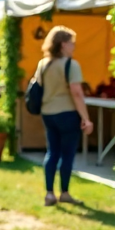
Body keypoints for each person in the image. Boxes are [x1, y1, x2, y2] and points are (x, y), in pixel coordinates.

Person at [32, 25, 93, 207]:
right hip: (67, 113)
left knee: (52, 152)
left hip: (48, 113)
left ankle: (49, 193)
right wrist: (86, 118)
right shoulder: (71, 64)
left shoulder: (43, 64)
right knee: (67, 155)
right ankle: (64, 192)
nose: (74, 47)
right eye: (71, 43)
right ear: (63, 44)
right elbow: (76, 93)